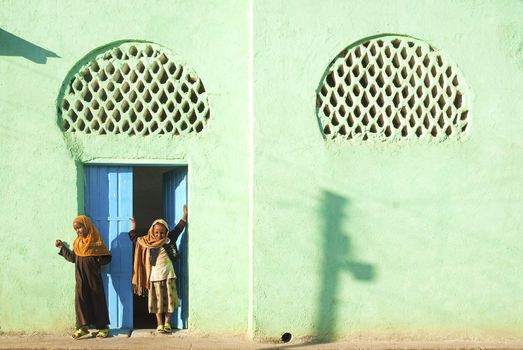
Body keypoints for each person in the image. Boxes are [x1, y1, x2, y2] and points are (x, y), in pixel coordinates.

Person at [129, 205, 188, 333]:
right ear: (152, 231)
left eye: (162, 232)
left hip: (168, 275)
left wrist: (184, 215)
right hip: (154, 276)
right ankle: (159, 324)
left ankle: (167, 323)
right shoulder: (147, 242)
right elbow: (134, 239)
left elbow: (179, 229)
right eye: (156, 232)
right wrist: (133, 225)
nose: (159, 235)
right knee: (157, 301)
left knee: (169, 300)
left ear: (166, 232)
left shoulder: (169, 239)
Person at [55, 215, 112, 339]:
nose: (78, 231)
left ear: (87, 226)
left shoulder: (96, 241)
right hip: (80, 278)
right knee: (81, 301)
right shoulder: (77, 243)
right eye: (76, 229)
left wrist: (98, 260)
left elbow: (107, 257)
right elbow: (73, 258)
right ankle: (83, 328)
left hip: (93, 278)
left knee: (97, 300)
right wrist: (62, 248)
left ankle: (103, 328)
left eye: (79, 228)